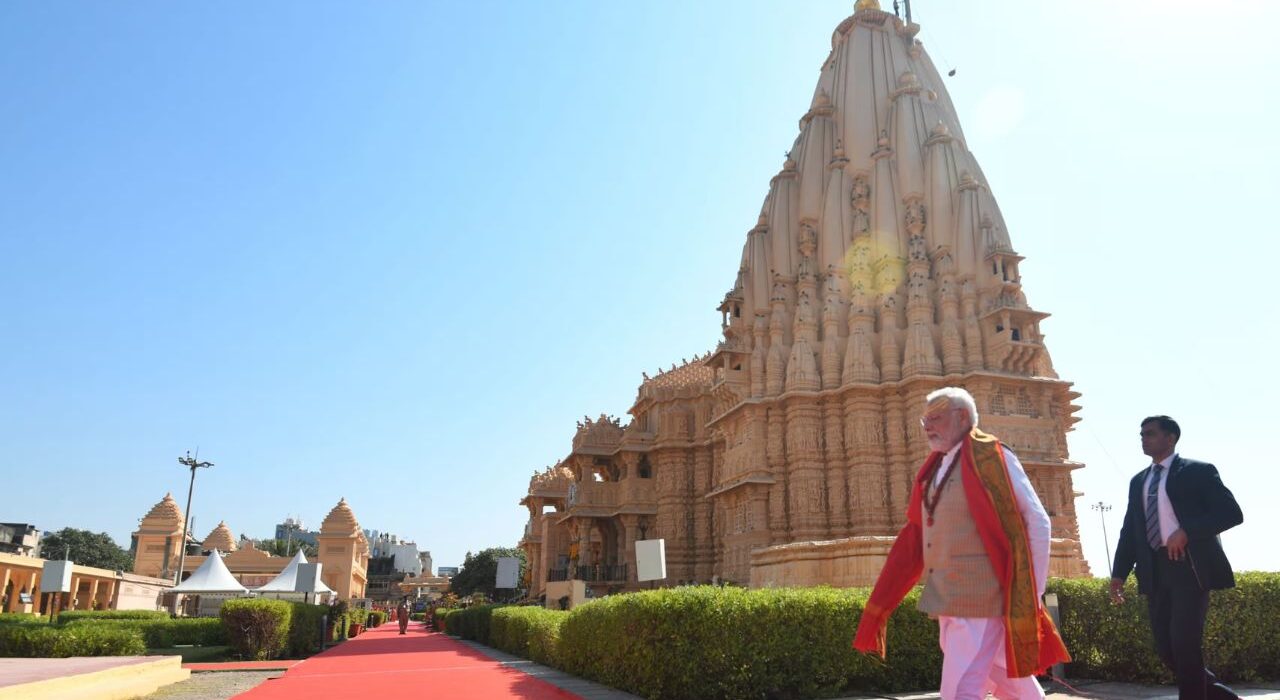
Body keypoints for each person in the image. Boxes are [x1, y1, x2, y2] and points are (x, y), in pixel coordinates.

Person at [854, 387, 1068, 700]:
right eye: (924, 419)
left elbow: (1037, 521)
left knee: (960, 688)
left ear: (962, 417)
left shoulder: (992, 456)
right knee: (1010, 680)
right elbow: (915, 535)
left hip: (981, 597)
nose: (927, 425)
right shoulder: (935, 469)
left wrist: (1031, 592)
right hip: (948, 597)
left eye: (936, 417)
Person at [1110, 416, 1243, 700]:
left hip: (1188, 568)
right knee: (1167, 650)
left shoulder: (1199, 472)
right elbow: (1130, 531)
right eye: (1141, 434)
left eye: (1150, 433)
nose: (1143, 438)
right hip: (1153, 571)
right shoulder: (1139, 481)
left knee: (1185, 645)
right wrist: (1118, 574)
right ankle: (1224, 697)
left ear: (1170, 438)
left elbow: (1232, 513)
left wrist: (1187, 532)